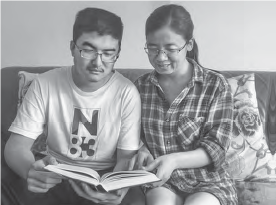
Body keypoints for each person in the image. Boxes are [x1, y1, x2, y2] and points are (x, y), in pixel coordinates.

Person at [4, 7, 143, 205]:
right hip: (56, 172)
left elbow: (126, 157)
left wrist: (117, 187)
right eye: (88, 50)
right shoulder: (45, 84)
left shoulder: (127, 92)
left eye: (108, 53)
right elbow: (16, 147)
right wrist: (31, 171)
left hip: (104, 176)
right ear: (72, 47)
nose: (98, 62)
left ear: (118, 53)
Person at [129, 4, 238, 205]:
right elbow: (132, 135)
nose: (160, 58)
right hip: (161, 181)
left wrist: (174, 160)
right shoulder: (140, 87)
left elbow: (217, 147)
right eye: (152, 48)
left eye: (170, 49)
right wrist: (142, 149)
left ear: (189, 44)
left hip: (207, 182)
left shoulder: (214, 85)